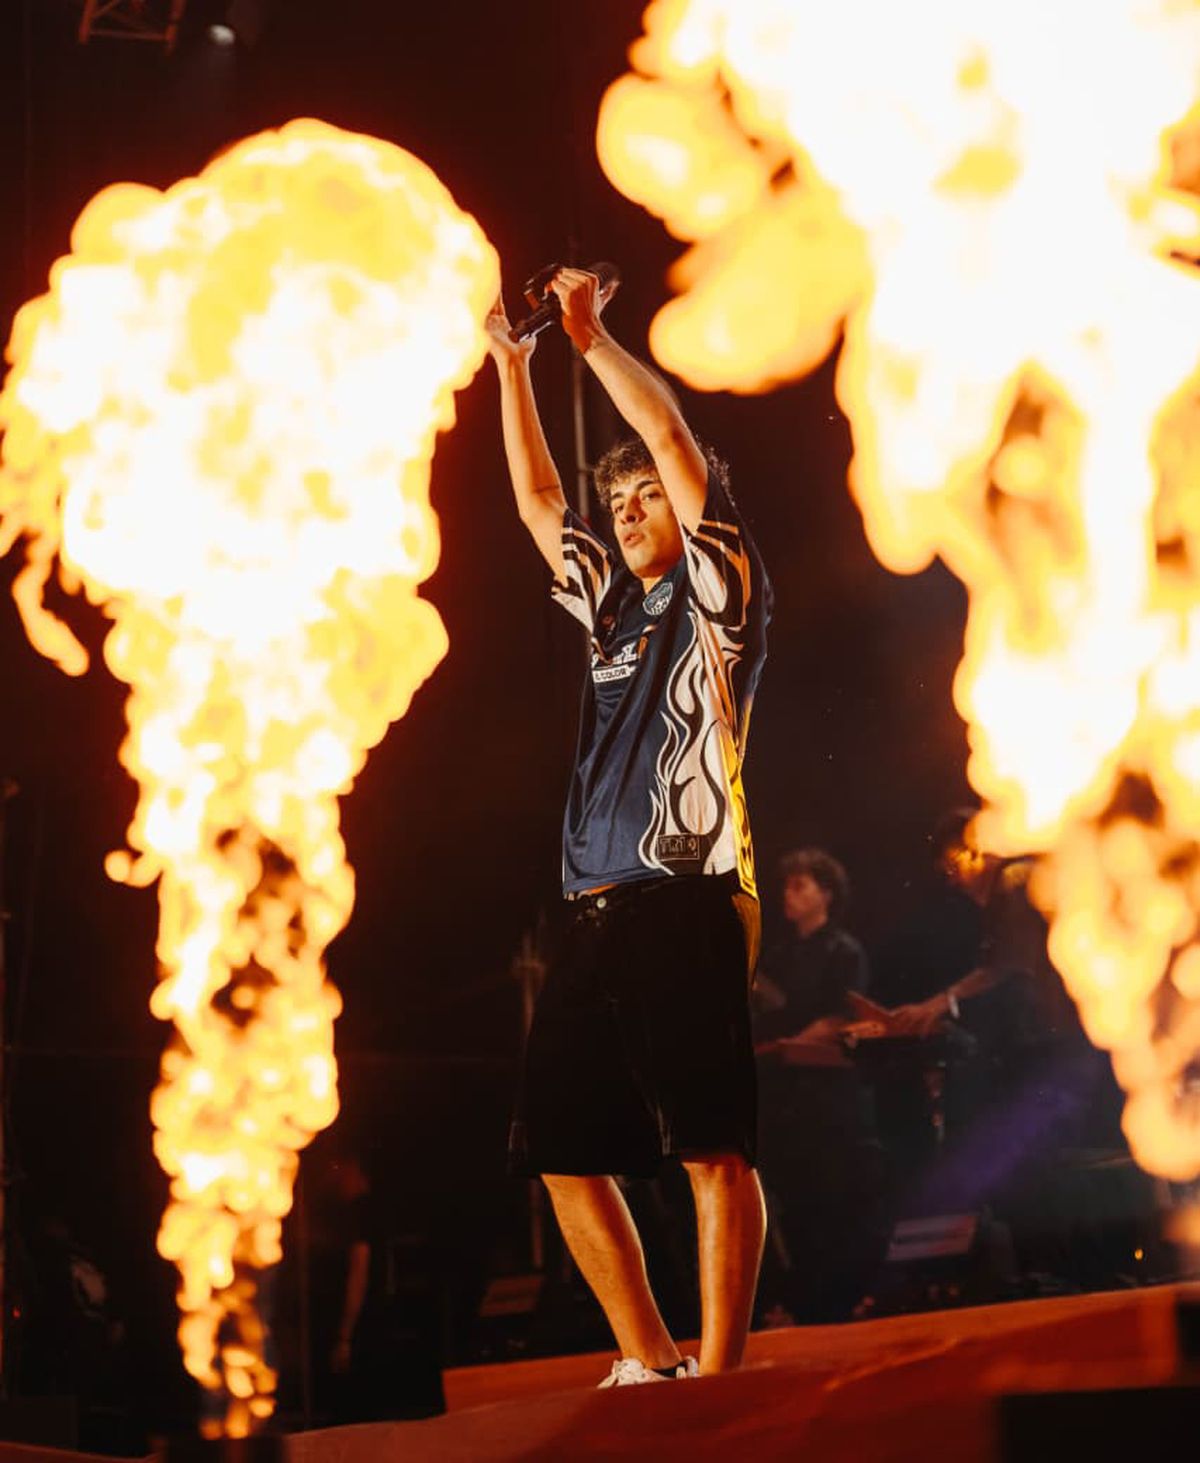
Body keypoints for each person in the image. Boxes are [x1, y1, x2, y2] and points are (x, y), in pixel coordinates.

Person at [487, 265, 772, 1384]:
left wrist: (587, 337)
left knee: (709, 1142)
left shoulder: (723, 587)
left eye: (646, 495)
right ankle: (650, 1358)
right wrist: (514, 367)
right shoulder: (605, 603)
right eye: (623, 504)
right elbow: (536, 504)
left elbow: (665, 428)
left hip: (693, 889)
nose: (628, 509)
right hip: (595, 904)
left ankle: (724, 1373)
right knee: (558, 1150)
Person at [753, 849, 886, 1321]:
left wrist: (801, 1037)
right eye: (786, 886)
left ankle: (837, 1299)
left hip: (827, 1096)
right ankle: (799, 1299)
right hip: (784, 1094)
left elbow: (842, 1011)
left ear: (825, 893)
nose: (788, 895)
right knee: (793, 1200)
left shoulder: (843, 950)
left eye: (800, 886)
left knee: (832, 1197)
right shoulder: (778, 956)